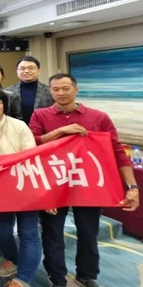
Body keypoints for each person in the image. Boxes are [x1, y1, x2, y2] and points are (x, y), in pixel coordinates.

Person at [29, 73, 139, 287]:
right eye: (56, 89)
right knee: (52, 234)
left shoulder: (99, 117)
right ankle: (57, 278)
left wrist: (132, 186)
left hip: (88, 184)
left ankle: (86, 275)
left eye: (66, 88)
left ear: (76, 90)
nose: (61, 93)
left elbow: (117, 152)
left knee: (89, 233)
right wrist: (61, 131)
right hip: (53, 184)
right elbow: (31, 144)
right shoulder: (40, 115)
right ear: (50, 91)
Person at [0, 89, 39, 287]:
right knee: (0, 230)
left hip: (24, 186)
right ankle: (15, 259)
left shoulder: (19, 126)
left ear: (5, 106)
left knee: (28, 233)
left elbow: (31, 155)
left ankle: (23, 279)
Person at [5, 55, 54, 124]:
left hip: (43, 128)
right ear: (17, 71)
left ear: (39, 70)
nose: (27, 71)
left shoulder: (50, 91)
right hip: (16, 129)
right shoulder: (8, 92)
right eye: (22, 68)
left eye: (31, 68)